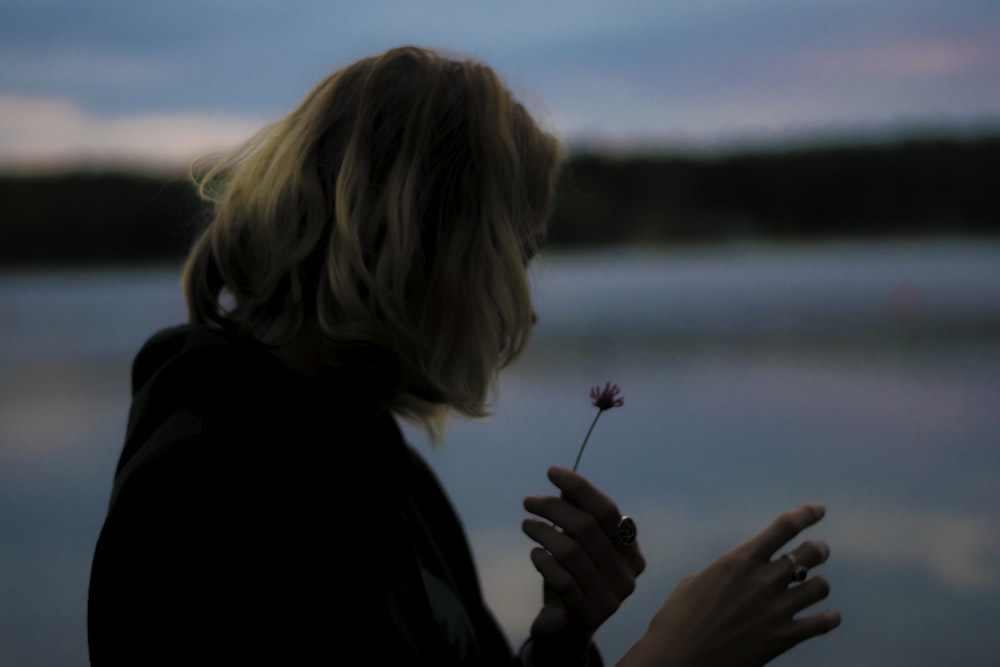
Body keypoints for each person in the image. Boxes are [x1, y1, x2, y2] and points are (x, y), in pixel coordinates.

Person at [87, 46, 840, 666]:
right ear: (424, 246)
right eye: (516, 252)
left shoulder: (379, 466)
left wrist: (563, 641)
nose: (527, 304)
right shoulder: (202, 499)